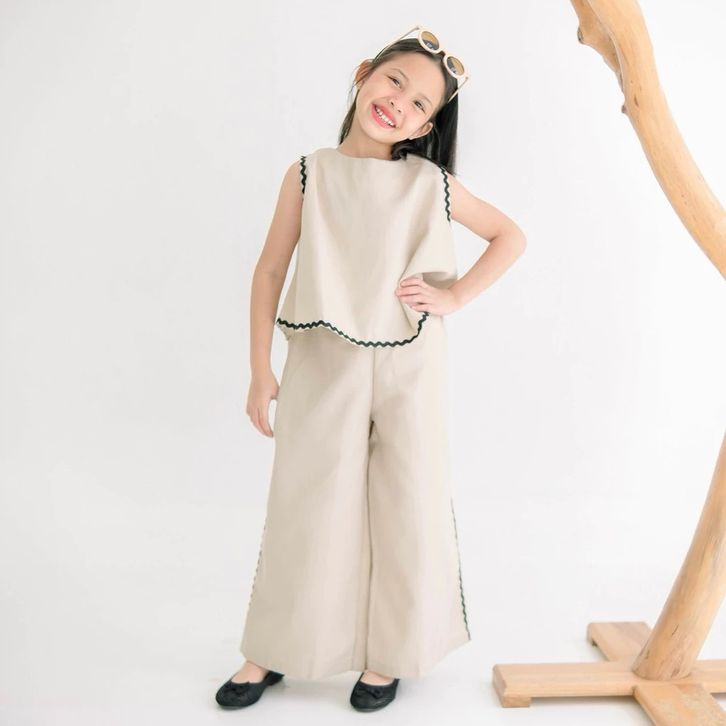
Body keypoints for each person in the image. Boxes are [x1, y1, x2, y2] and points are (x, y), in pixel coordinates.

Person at [215, 25, 526, 712]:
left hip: (410, 363)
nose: (399, 105)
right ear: (364, 74)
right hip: (322, 359)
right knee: (306, 503)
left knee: (406, 503)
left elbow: (510, 236)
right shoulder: (309, 173)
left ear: (427, 127)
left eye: (419, 105)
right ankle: (271, 649)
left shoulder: (430, 183)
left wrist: (454, 296)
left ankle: (391, 654)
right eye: (394, 82)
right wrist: (259, 370)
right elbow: (269, 270)